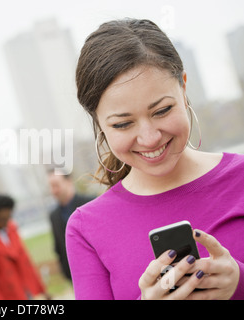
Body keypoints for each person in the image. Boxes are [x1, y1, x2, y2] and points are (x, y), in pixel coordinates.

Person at [65, 18, 244, 300]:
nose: (149, 138)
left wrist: (239, 282)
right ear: (99, 123)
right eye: (123, 124)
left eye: (161, 110)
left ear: (183, 89)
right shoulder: (85, 229)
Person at [0, 194, 50, 300]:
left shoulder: (12, 228)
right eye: (2, 219)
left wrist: (41, 289)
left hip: (26, 290)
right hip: (7, 294)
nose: (6, 222)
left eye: (8, 217)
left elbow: (26, 261)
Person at [47, 169, 93, 281]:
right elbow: (58, 247)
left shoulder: (91, 203)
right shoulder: (54, 216)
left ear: (68, 182)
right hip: (75, 277)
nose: (54, 191)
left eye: (56, 185)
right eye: (51, 187)